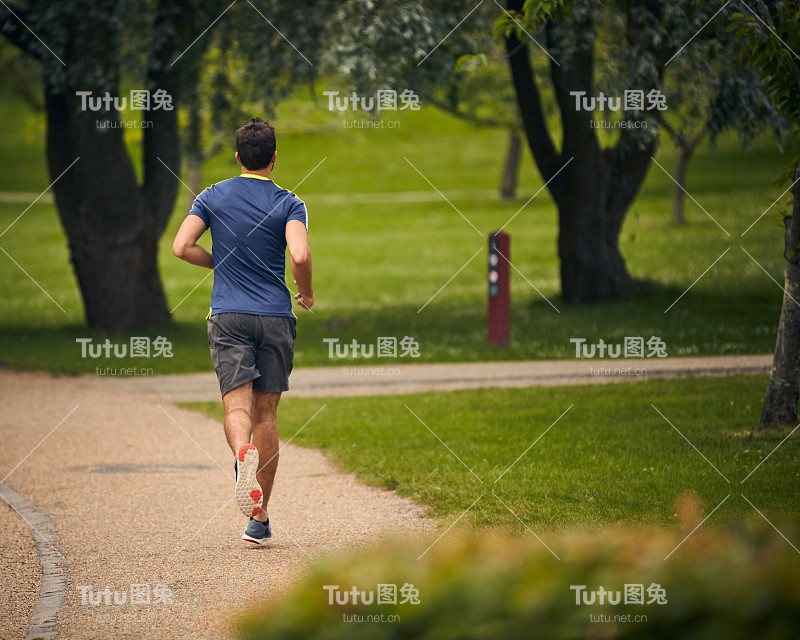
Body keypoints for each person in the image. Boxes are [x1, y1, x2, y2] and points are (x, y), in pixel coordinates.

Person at [172, 117, 313, 545]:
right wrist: (304, 292)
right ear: (274, 157)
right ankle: (259, 518)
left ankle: (240, 454)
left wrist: (220, 262)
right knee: (267, 415)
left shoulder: (213, 195)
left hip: (228, 315)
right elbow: (301, 254)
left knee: (238, 408)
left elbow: (181, 247)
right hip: (275, 316)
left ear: (237, 158)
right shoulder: (290, 202)